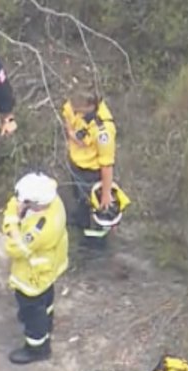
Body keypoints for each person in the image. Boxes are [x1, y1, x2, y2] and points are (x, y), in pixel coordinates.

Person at [1, 172, 69, 365]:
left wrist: (12, 216)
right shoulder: (55, 202)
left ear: (36, 203)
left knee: (32, 309)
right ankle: (46, 322)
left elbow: (14, 247)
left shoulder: (40, 228)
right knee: (46, 300)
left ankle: (37, 347)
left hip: (33, 277)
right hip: (48, 269)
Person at [61, 83, 121, 250]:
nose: (75, 112)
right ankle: (80, 221)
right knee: (79, 199)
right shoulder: (74, 104)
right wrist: (73, 136)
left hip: (92, 173)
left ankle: (95, 245)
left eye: (79, 110)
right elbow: (68, 118)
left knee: (95, 207)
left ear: (90, 106)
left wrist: (106, 194)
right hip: (76, 164)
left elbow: (107, 165)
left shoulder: (103, 131)